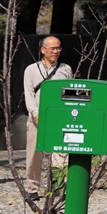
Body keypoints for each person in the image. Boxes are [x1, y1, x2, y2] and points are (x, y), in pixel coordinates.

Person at [23, 36, 72, 201]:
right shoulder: (31, 69)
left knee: (61, 153)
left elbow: (70, 94)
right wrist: (35, 113)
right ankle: (32, 188)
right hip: (37, 117)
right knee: (34, 154)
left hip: (59, 118)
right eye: (52, 48)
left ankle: (59, 185)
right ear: (43, 50)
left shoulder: (66, 69)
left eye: (58, 48)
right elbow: (29, 94)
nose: (56, 51)